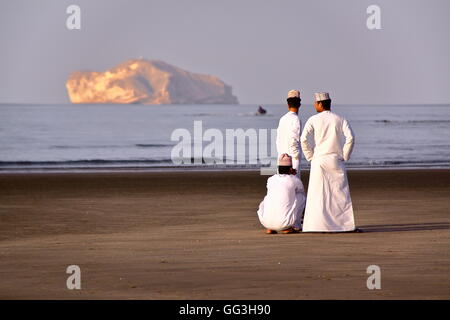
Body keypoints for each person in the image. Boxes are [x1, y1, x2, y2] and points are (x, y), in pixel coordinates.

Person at [300, 92, 356, 232]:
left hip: (319, 160)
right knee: (339, 194)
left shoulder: (313, 119)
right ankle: (344, 226)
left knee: (317, 194)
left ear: (320, 104)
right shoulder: (340, 119)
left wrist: (310, 156)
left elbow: (303, 139)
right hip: (335, 159)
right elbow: (350, 138)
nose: (314, 105)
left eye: (315, 103)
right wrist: (345, 155)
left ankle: (315, 226)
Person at [257, 154, 306, 234]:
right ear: (290, 169)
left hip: (265, 222)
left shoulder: (271, 179)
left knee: (268, 197)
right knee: (301, 197)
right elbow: (301, 190)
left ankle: (271, 228)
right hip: (285, 223)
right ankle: (291, 226)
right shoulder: (294, 180)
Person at [276, 90, 302, 176]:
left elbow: (278, 140)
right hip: (291, 160)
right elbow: (293, 140)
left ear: (288, 104)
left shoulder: (282, 119)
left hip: (281, 159)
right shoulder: (296, 119)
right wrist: (296, 159)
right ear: (299, 105)